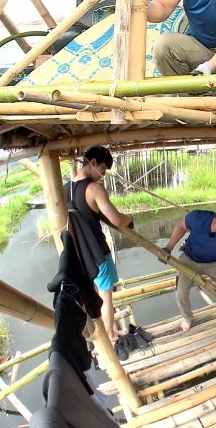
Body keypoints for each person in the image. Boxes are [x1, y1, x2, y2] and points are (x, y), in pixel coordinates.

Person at [65, 146, 133, 345]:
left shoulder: (66, 187)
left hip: (80, 254)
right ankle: (110, 335)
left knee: (93, 293)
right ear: (93, 162)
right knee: (106, 294)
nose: (102, 175)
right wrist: (129, 217)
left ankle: (101, 335)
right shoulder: (94, 189)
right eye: (102, 169)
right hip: (97, 251)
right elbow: (116, 219)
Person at [162, 201, 216, 334]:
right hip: (189, 260)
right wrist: (168, 248)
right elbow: (180, 227)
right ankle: (187, 317)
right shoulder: (197, 218)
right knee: (180, 294)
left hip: (214, 263)